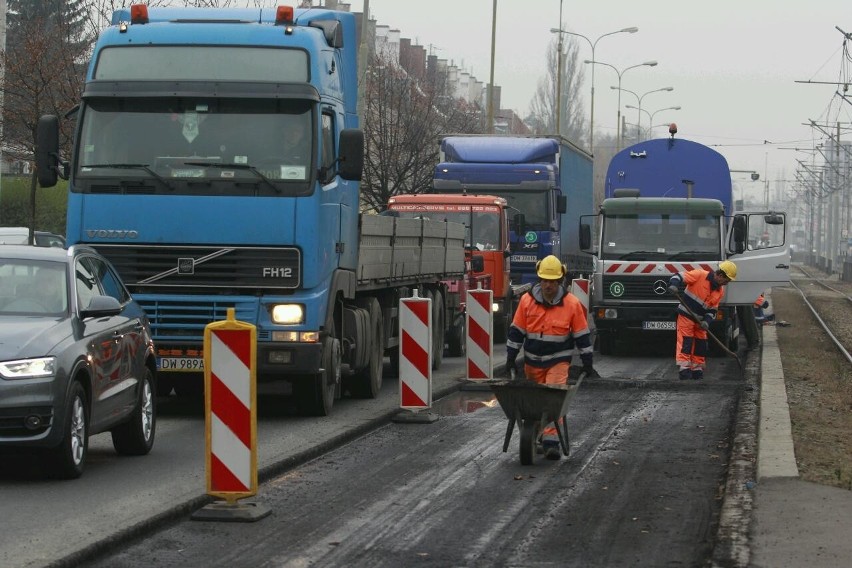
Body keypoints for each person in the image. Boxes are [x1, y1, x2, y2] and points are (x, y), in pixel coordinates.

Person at [505, 255, 597, 460]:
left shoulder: (571, 304)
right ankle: (536, 435)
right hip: (532, 362)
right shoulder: (527, 301)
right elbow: (517, 331)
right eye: (545, 281)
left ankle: (551, 442)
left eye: (553, 281)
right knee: (534, 404)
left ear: (560, 280)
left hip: (558, 361)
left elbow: (582, 336)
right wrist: (510, 358)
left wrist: (587, 362)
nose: (548, 285)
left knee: (552, 396)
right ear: (540, 280)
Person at [667, 260, 737, 381]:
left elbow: (713, 310)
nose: (727, 283)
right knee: (686, 341)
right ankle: (684, 370)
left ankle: (697, 369)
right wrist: (673, 285)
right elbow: (678, 276)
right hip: (686, 315)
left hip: (700, 321)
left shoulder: (719, 291)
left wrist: (707, 321)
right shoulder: (699, 275)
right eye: (727, 280)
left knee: (701, 343)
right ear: (720, 275)